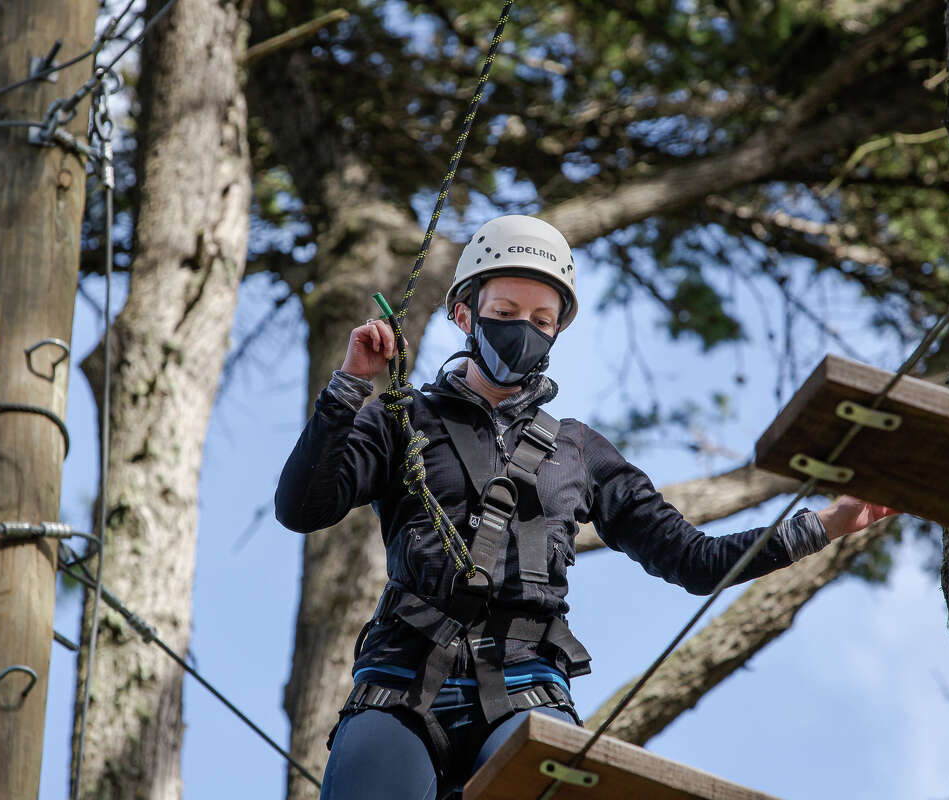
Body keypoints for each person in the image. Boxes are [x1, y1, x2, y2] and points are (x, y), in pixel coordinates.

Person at [275, 215, 895, 800]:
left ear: (558, 331)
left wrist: (823, 526)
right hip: (401, 683)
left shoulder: (579, 451)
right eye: (506, 312)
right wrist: (352, 386)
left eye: (542, 320)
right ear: (465, 313)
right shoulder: (402, 420)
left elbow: (694, 559)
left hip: (526, 685)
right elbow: (303, 506)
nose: (523, 328)